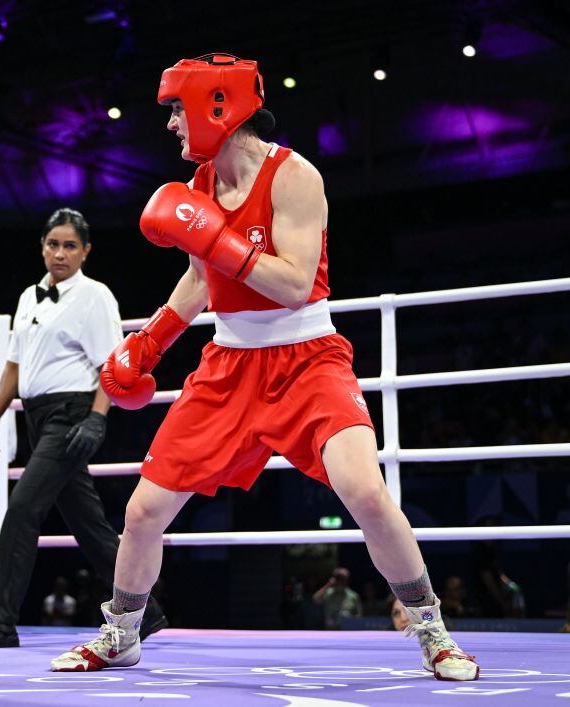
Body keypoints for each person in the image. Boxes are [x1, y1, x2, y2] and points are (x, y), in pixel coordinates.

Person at [50, 53, 479, 681]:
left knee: (363, 489)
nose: (170, 124)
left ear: (215, 107)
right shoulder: (199, 186)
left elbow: (296, 282)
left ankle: (432, 630)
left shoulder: (293, 176)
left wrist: (218, 241)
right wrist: (152, 340)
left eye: (175, 109)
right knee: (143, 511)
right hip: (228, 364)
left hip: (308, 360)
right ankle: (121, 632)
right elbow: (200, 275)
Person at [0, 208, 167, 648]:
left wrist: (98, 417)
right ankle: (147, 612)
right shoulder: (28, 296)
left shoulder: (95, 296)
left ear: (86, 251)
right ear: (42, 246)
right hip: (37, 416)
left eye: (70, 245)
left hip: (71, 415)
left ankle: (0, 621)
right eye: (53, 244)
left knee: (22, 509)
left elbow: (112, 365)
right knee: (88, 524)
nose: (60, 253)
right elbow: (14, 363)